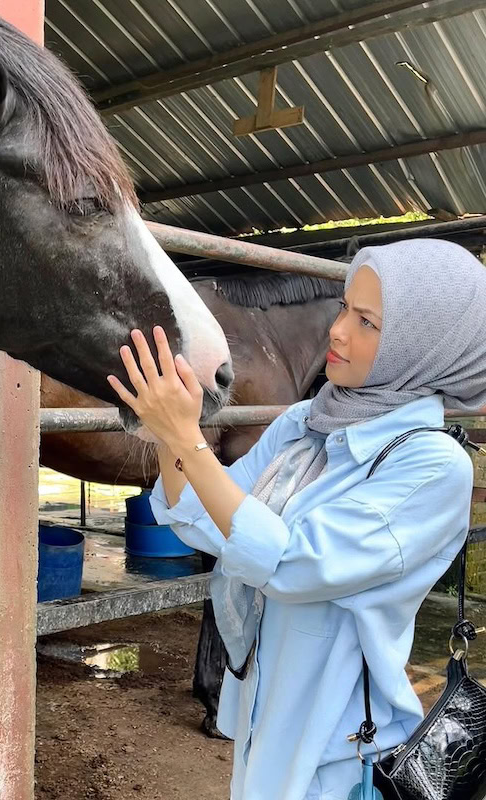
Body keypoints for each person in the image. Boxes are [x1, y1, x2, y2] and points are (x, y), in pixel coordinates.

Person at [106, 239, 486, 800]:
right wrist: (166, 434)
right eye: (343, 309)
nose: (337, 331)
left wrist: (187, 438)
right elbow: (204, 516)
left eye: (367, 322)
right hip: (264, 703)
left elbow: (288, 563)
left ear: (420, 347)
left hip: (340, 741)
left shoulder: (432, 466)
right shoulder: (307, 422)